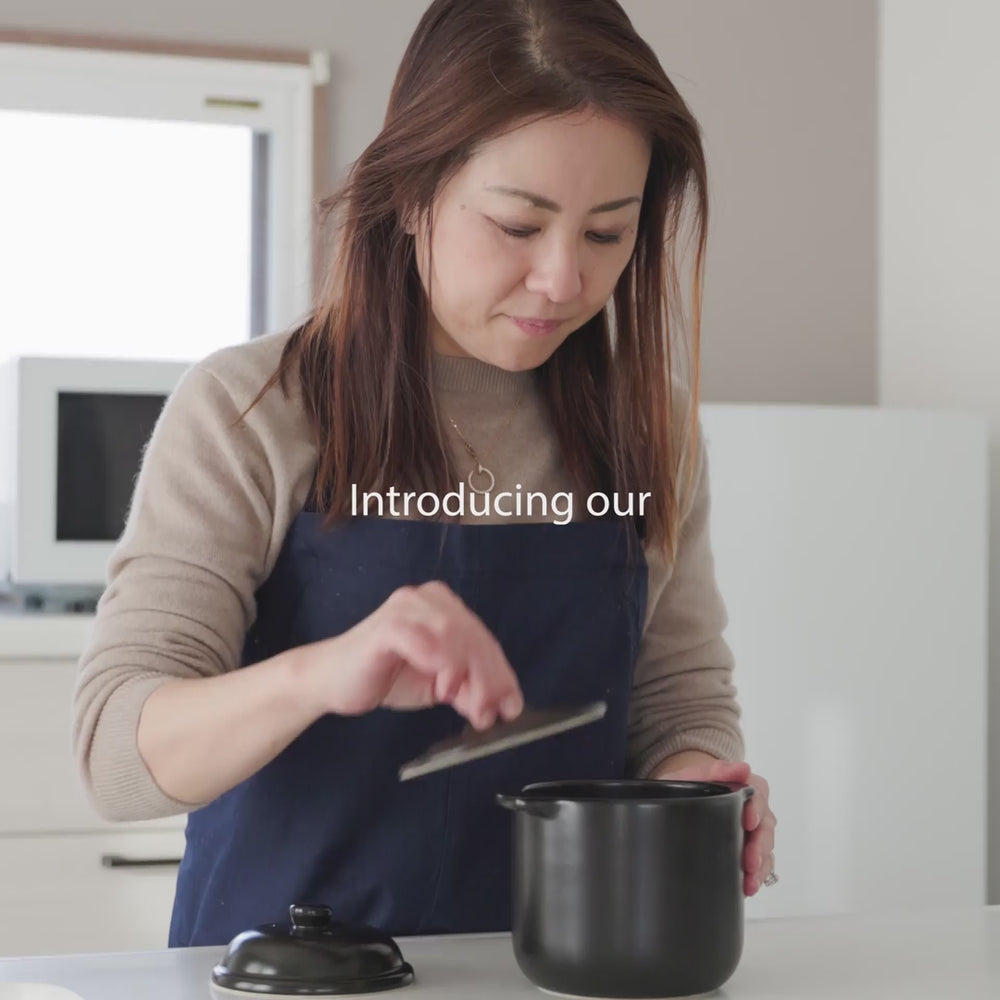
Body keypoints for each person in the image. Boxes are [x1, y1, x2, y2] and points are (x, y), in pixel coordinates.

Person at [72, 0, 777, 948]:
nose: (565, 279)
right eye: (520, 225)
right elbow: (116, 756)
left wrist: (698, 783)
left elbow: (678, 699)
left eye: (608, 233)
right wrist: (321, 674)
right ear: (412, 195)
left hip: (560, 968)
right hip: (286, 973)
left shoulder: (648, 425)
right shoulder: (254, 409)